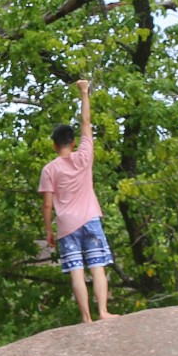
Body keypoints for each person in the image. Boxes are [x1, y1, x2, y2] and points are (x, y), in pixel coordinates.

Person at [39, 78, 115, 322]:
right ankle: (103, 311)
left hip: (66, 225)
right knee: (97, 265)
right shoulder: (84, 155)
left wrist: (48, 230)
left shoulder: (49, 169)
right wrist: (84, 92)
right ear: (72, 143)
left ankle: (86, 317)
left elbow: (48, 204)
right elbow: (86, 123)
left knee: (76, 270)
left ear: (54, 145)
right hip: (90, 218)